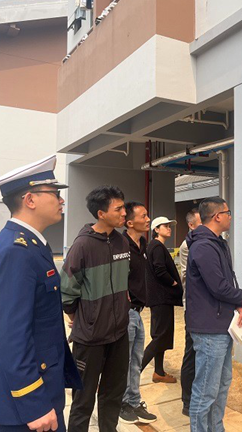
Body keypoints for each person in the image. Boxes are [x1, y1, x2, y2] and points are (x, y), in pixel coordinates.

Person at [0, 154, 82, 431]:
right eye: (55, 193)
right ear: (30, 200)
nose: (61, 200)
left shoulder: (31, 245)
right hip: (26, 406)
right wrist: (34, 403)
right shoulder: (16, 251)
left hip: (41, 391)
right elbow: (12, 336)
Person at [61, 185, 131, 432]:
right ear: (101, 213)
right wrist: (81, 317)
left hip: (119, 334)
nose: (124, 213)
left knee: (113, 395)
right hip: (90, 339)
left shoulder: (122, 242)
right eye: (118, 209)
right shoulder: (82, 245)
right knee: (83, 399)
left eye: (123, 207)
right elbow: (67, 291)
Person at [186, 197, 242, 432]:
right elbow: (218, 286)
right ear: (217, 216)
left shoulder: (217, 243)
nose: (231, 216)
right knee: (205, 390)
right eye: (228, 212)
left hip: (221, 324)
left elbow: (226, 280)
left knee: (221, 385)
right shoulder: (204, 246)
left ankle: (216, 428)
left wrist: (238, 304)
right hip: (209, 327)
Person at [119, 202, 157, 425]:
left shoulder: (143, 244)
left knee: (136, 360)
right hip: (126, 311)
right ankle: (122, 403)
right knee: (123, 361)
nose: (148, 219)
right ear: (130, 222)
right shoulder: (121, 245)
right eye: (143, 216)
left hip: (138, 311)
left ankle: (133, 400)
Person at [142, 216, 183, 382]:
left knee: (160, 336)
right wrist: (173, 282)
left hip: (158, 298)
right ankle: (131, 374)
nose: (169, 228)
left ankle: (159, 372)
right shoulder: (157, 246)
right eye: (165, 226)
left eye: (169, 226)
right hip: (161, 298)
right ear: (156, 230)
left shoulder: (154, 246)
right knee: (160, 337)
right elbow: (160, 270)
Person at [179, 208, 201, 416]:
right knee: (191, 353)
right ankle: (187, 400)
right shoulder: (188, 245)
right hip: (193, 307)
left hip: (203, 309)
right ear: (191, 225)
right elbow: (187, 277)